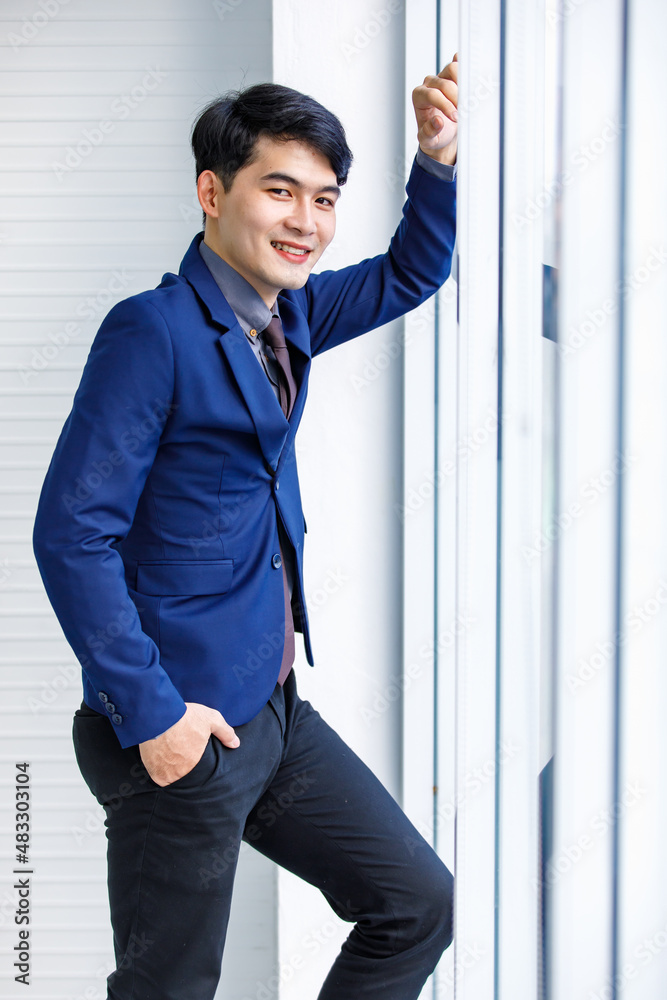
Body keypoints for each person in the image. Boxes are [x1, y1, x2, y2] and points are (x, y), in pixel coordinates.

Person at [33, 56, 459, 1000]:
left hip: (270, 711)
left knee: (415, 903)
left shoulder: (285, 314)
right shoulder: (154, 332)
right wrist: (156, 720)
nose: (305, 221)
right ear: (212, 191)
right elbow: (71, 534)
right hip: (179, 732)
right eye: (280, 190)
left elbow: (409, 272)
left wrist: (435, 161)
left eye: (324, 197)